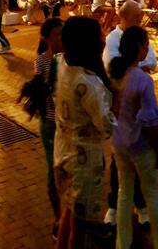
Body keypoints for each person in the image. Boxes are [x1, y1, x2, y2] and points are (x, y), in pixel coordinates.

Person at [53, 16, 115, 249]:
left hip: (63, 154)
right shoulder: (87, 83)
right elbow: (107, 126)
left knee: (68, 213)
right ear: (89, 43)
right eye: (100, 34)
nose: (104, 39)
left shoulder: (61, 64)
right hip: (83, 163)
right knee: (79, 231)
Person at [109, 26, 158, 248]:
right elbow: (151, 123)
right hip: (140, 145)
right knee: (152, 194)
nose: (147, 48)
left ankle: (122, 242)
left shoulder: (115, 74)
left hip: (119, 142)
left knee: (124, 192)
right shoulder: (142, 80)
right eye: (146, 44)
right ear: (138, 48)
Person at [33, 18, 65, 230]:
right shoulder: (43, 61)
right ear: (46, 38)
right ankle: (58, 219)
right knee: (54, 169)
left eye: (63, 33)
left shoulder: (68, 59)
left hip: (66, 124)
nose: (62, 38)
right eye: (57, 34)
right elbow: (42, 93)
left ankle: (68, 218)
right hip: (51, 123)